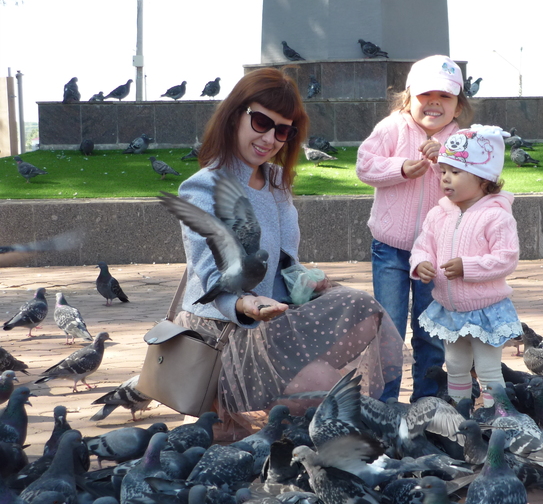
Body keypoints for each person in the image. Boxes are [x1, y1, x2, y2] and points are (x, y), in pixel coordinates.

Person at [173, 68, 404, 436]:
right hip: (225, 331)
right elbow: (211, 280)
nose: (270, 139)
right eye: (261, 122)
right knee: (326, 386)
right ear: (234, 115)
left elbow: (285, 264)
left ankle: (286, 398)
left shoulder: (276, 181)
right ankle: (228, 406)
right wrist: (245, 304)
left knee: (363, 307)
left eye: (282, 130)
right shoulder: (202, 186)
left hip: (277, 320)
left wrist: (307, 283)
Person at [356, 55, 474, 401]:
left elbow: (474, 186)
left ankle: (429, 400)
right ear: (408, 98)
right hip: (390, 248)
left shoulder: (463, 140)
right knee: (389, 328)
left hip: (437, 253)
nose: (434, 102)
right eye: (426, 95)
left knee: (431, 329)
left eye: (445, 96)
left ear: (458, 105)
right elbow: (365, 166)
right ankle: (384, 403)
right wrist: (401, 168)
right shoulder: (391, 128)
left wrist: (446, 160)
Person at [409, 125, 522, 408]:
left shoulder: (496, 217)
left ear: (484, 179)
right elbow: (423, 245)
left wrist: (468, 267)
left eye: (455, 172)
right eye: (443, 171)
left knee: (487, 369)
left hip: (486, 309)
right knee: (455, 365)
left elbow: (506, 258)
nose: (445, 178)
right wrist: (421, 263)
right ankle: (461, 417)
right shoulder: (438, 214)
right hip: (450, 309)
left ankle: (499, 417)